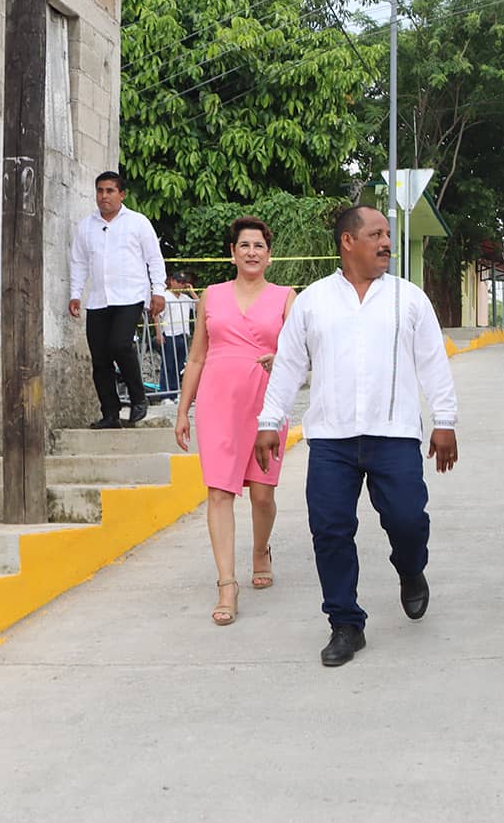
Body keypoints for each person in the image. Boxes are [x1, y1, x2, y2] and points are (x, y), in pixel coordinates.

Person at [254, 205, 459, 668]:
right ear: (348, 242)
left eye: (387, 235)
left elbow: (433, 362)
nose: (386, 243)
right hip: (331, 439)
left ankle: (410, 569)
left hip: (395, 435)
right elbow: (288, 365)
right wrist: (270, 422)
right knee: (329, 530)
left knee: (408, 520)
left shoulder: (409, 299)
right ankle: (346, 623)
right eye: (376, 234)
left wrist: (445, 420)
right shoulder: (313, 301)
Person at [173, 220, 293, 625]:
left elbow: (299, 354)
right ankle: (227, 584)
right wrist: (182, 409)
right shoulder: (212, 295)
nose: (252, 252)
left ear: (269, 255)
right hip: (217, 402)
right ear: (232, 252)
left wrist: (283, 362)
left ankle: (261, 549)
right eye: (244, 245)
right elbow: (196, 357)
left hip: (266, 402)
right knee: (219, 491)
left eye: (259, 245)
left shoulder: (285, 297)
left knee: (262, 493)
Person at [68, 171, 167, 429]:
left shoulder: (138, 222)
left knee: (120, 345)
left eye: (110, 191)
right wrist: (75, 294)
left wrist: (158, 290)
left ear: (121, 194)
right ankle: (110, 413)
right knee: (100, 358)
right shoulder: (86, 226)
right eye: (100, 191)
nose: (104, 196)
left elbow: (154, 258)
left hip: (130, 296)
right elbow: (78, 262)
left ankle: (138, 398)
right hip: (99, 300)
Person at [156, 272, 196, 397]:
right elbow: (156, 315)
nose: (181, 285)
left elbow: (199, 306)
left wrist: (191, 292)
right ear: (172, 281)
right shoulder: (165, 297)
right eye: (179, 282)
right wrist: (159, 334)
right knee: (168, 365)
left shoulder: (185, 298)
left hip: (183, 334)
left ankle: (175, 392)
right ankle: (165, 394)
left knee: (179, 366)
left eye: (183, 283)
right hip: (169, 334)